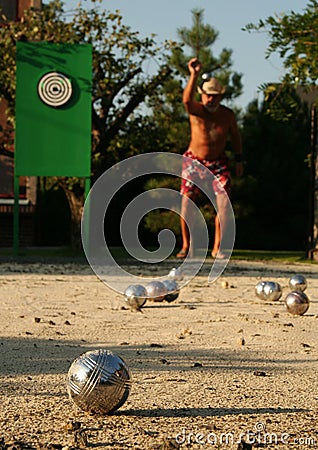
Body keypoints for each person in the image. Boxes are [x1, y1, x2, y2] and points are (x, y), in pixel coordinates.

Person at [177, 57, 243, 259]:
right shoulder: (196, 111)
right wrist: (194, 74)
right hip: (194, 160)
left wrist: (239, 159)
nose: (210, 100)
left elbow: (235, 137)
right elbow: (186, 101)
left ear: (220, 97)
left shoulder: (227, 115)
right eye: (207, 96)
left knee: (223, 202)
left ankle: (217, 248)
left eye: (214, 96)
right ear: (202, 95)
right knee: (186, 201)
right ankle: (186, 246)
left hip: (218, 163)